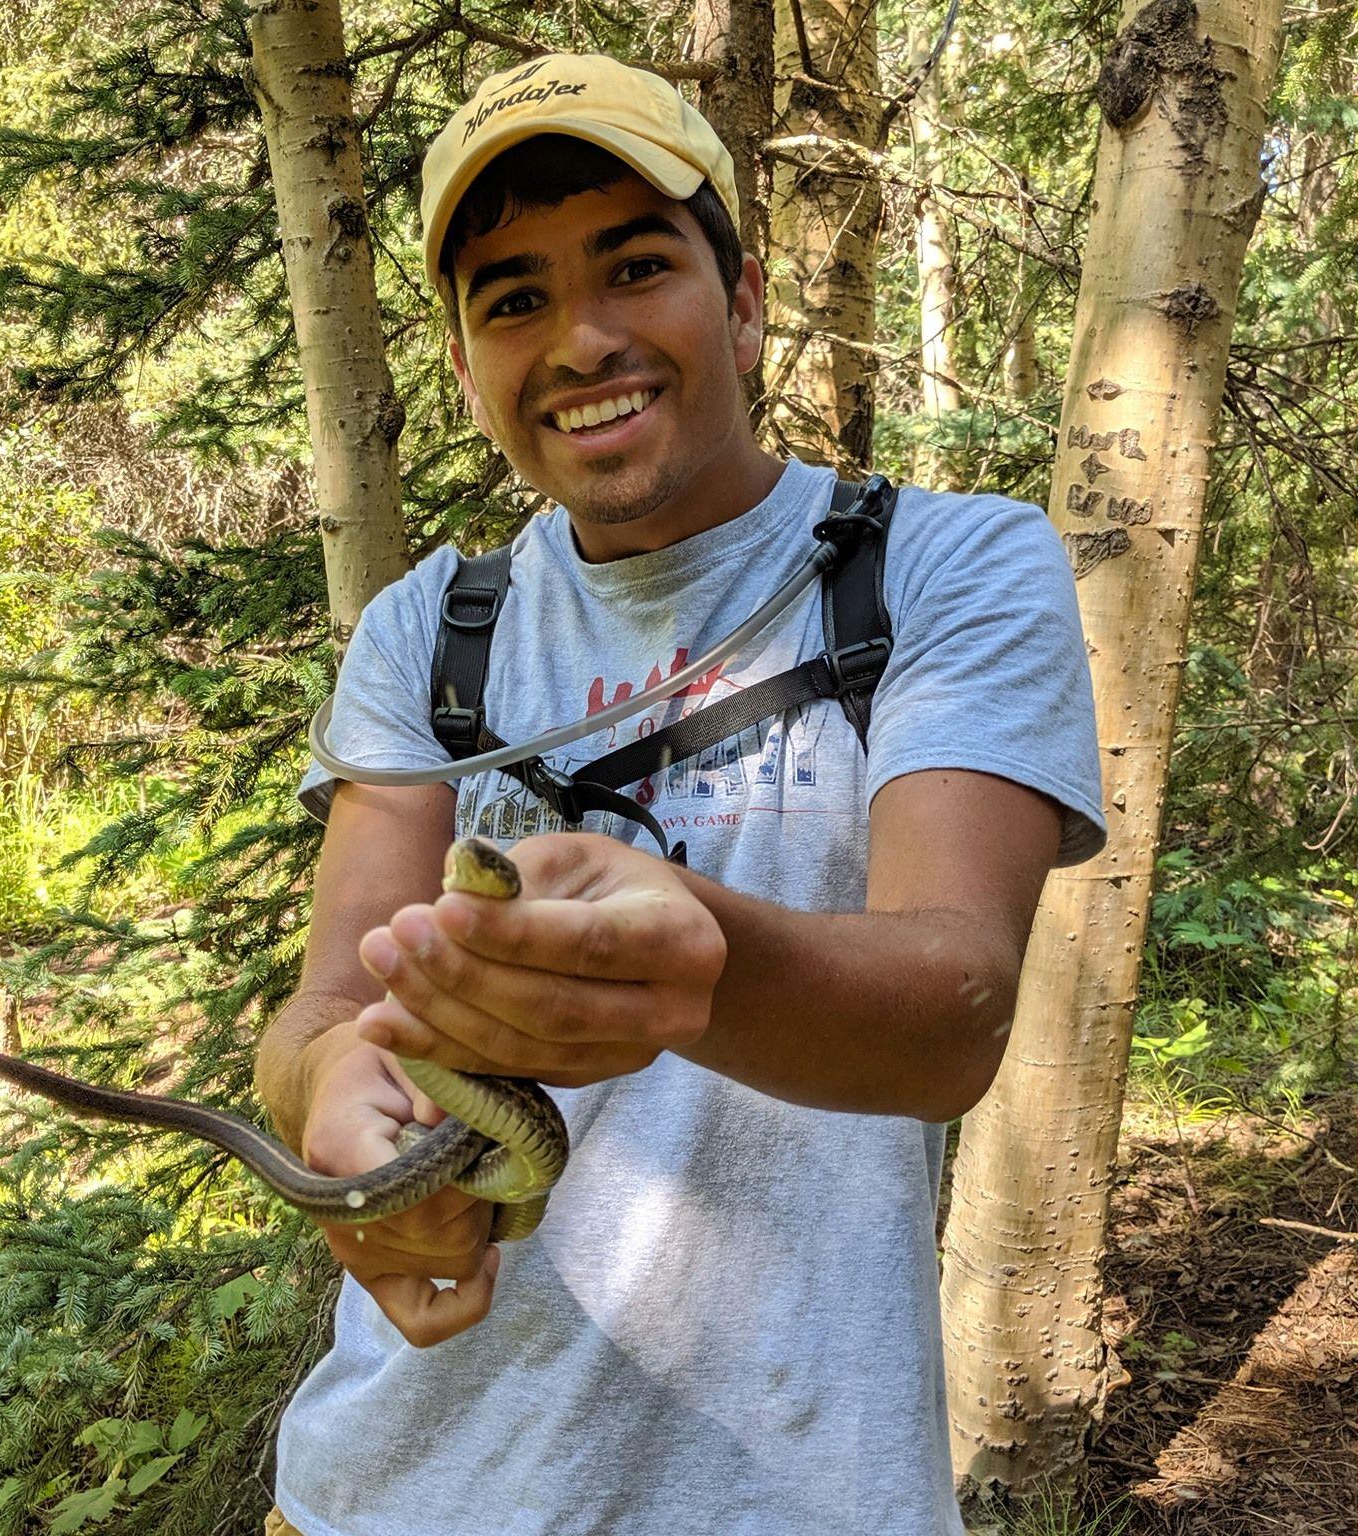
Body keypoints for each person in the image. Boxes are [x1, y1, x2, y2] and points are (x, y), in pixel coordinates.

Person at [256, 51, 1107, 1536]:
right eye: (513, 299)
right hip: (386, 1495)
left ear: (746, 298)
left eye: (637, 266)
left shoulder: (947, 568)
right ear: (464, 366)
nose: (582, 339)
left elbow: (954, 1012)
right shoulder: (422, 632)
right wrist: (331, 1093)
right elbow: (324, 1013)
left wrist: (698, 955)